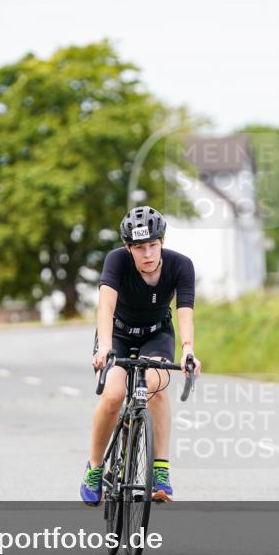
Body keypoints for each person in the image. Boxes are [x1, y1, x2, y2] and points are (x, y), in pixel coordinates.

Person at [82, 206, 201, 506]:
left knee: (157, 387)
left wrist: (188, 351)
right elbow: (105, 308)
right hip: (117, 334)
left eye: (152, 245)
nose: (147, 253)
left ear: (162, 241)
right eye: (139, 247)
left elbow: (185, 311)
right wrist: (104, 347)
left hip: (156, 333)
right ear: (128, 248)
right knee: (112, 395)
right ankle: (94, 468)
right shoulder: (116, 261)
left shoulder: (181, 266)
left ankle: (160, 471)